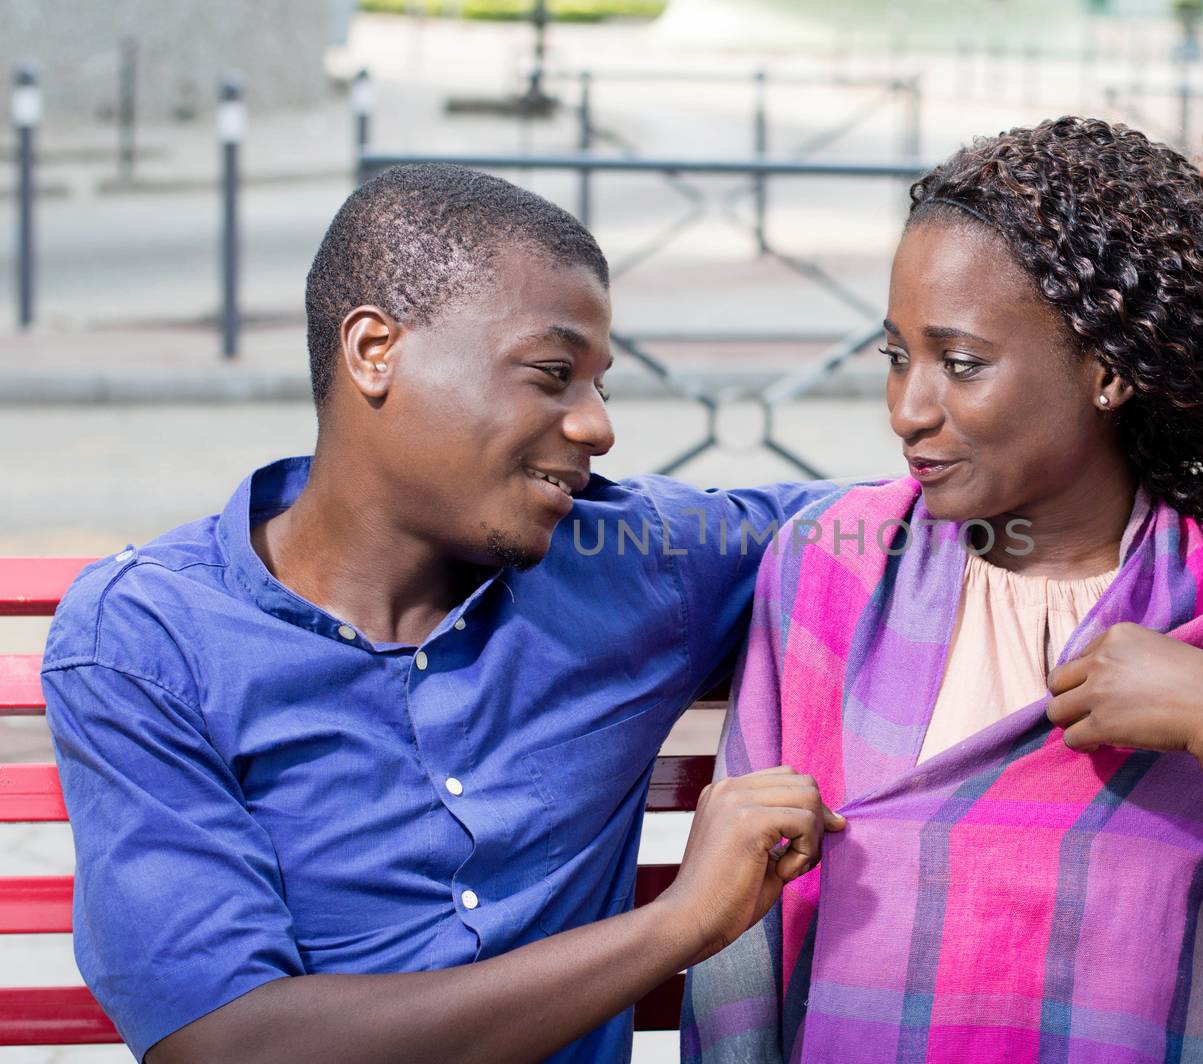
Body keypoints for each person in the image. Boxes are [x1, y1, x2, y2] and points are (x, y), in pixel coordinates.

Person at [682, 117, 1203, 1063]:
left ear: (1109, 371)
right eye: (897, 356)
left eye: (961, 363)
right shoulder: (832, 568)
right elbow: (747, 930)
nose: (908, 409)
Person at [42, 164, 848, 1064]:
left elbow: (924, 519)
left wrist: (1043, 577)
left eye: (599, 385)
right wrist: (679, 926)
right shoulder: (147, 639)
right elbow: (228, 1047)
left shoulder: (632, 562)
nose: (596, 427)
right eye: (552, 374)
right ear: (374, 351)